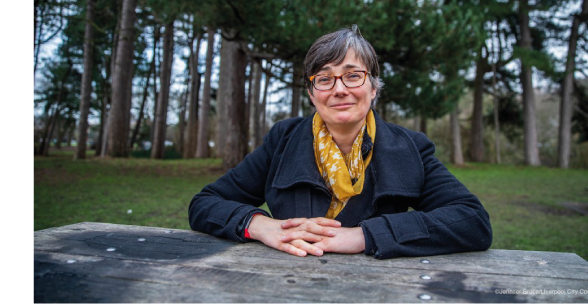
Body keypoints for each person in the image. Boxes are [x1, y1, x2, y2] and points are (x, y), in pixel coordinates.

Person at [188, 25, 492, 259]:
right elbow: (204, 204)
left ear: (373, 88)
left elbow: (472, 221)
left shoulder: (411, 147)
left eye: (352, 76)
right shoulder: (283, 139)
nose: (339, 89)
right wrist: (262, 227)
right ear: (312, 93)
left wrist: (363, 236)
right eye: (324, 78)